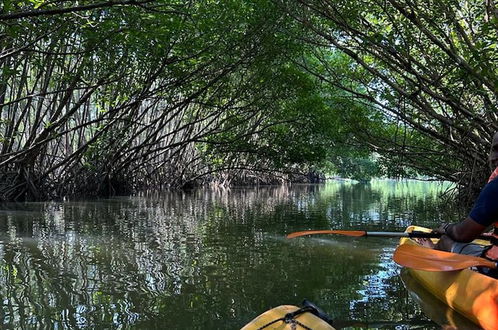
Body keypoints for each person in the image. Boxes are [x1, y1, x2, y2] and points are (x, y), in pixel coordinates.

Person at [419, 132, 498, 278]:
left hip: (494, 269)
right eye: (494, 149)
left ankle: (432, 251)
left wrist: (446, 228)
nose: (494, 157)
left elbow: (463, 234)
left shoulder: (496, 188)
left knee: (446, 240)